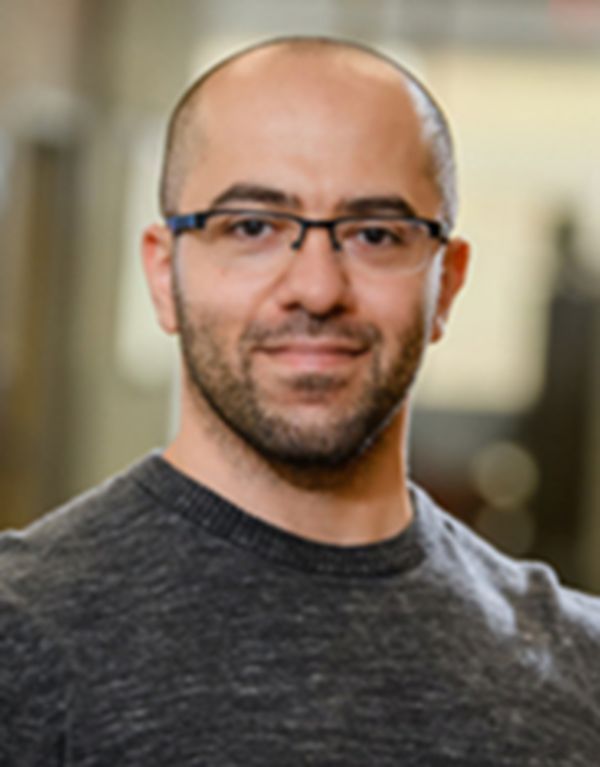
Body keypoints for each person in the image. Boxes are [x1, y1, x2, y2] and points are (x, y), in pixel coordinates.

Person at [1, 36, 599, 766]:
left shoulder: (581, 670)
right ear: (164, 274)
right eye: (252, 227)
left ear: (446, 284)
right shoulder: (19, 637)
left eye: (375, 234)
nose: (317, 289)